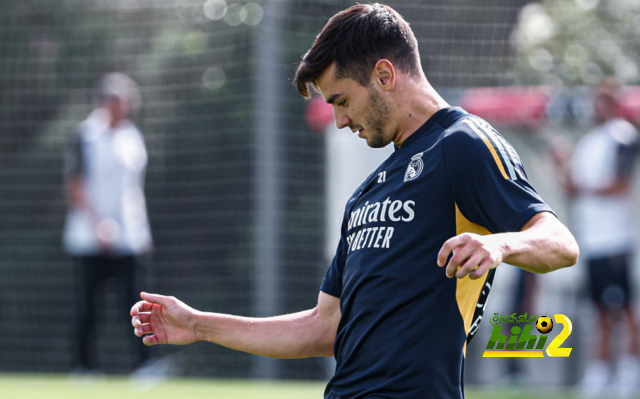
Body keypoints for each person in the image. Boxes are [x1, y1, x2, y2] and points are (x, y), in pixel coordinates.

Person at [130, 4, 579, 398]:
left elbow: (559, 242)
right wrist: (199, 325)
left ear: (384, 75)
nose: (340, 120)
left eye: (342, 101)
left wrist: (499, 244)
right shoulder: (368, 191)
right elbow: (325, 327)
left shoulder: (462, 143)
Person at [553, 77, 639, 398]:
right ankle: (600, 374)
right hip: (592, 242)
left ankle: (631, 372)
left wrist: (582, 186)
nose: (597, 105)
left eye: (604, 99)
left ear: (614, 102)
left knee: (626, 309)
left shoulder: (623, 136)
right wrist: (561, 166)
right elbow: (573, 189)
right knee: (600, 311)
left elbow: (619, 184)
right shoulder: (589, 143)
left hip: (615, 239)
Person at [64, 72, 154, 374]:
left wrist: (138, 229)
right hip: (90, 237)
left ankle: (146, 366)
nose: (121, 106)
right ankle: (84, 367)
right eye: (115, 100)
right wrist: (98, 225)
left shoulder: (133, 137)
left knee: (137, 302)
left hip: (131, 237)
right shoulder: (85, 135)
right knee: (89, 306)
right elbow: (75, 185)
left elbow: (132, 191)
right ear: (103, 102)